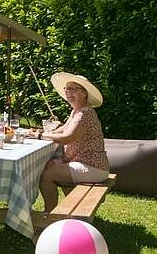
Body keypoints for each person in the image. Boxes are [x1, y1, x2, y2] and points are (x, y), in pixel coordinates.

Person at [37, 73, 109, 212]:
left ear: (84, 93)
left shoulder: (85, 113)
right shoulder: (77, 111)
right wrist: (39, 133)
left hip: (93, 167)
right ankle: (68, 213)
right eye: (67, 89)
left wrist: (41, 136)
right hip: (85, 163)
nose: (69, 92)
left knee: (46, 174)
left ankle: (50, 215)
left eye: (74, 89)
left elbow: (68, 138)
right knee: (51, 165)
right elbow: (64, 128)